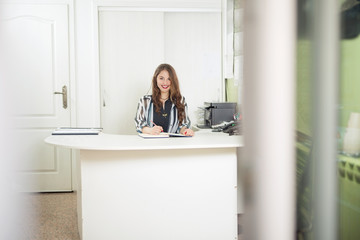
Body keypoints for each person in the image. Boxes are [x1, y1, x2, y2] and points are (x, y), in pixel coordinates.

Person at [135, 63, 194, 136]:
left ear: (173, 81)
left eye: (169, 79)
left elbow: (183, 125)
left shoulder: (180, 100)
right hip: (150, 145)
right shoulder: (144, 101)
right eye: (161, 78)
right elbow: (139, 125)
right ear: (155, 79)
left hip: (172, 145)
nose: (165, 82)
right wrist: (151, 130)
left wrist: (186, 131)